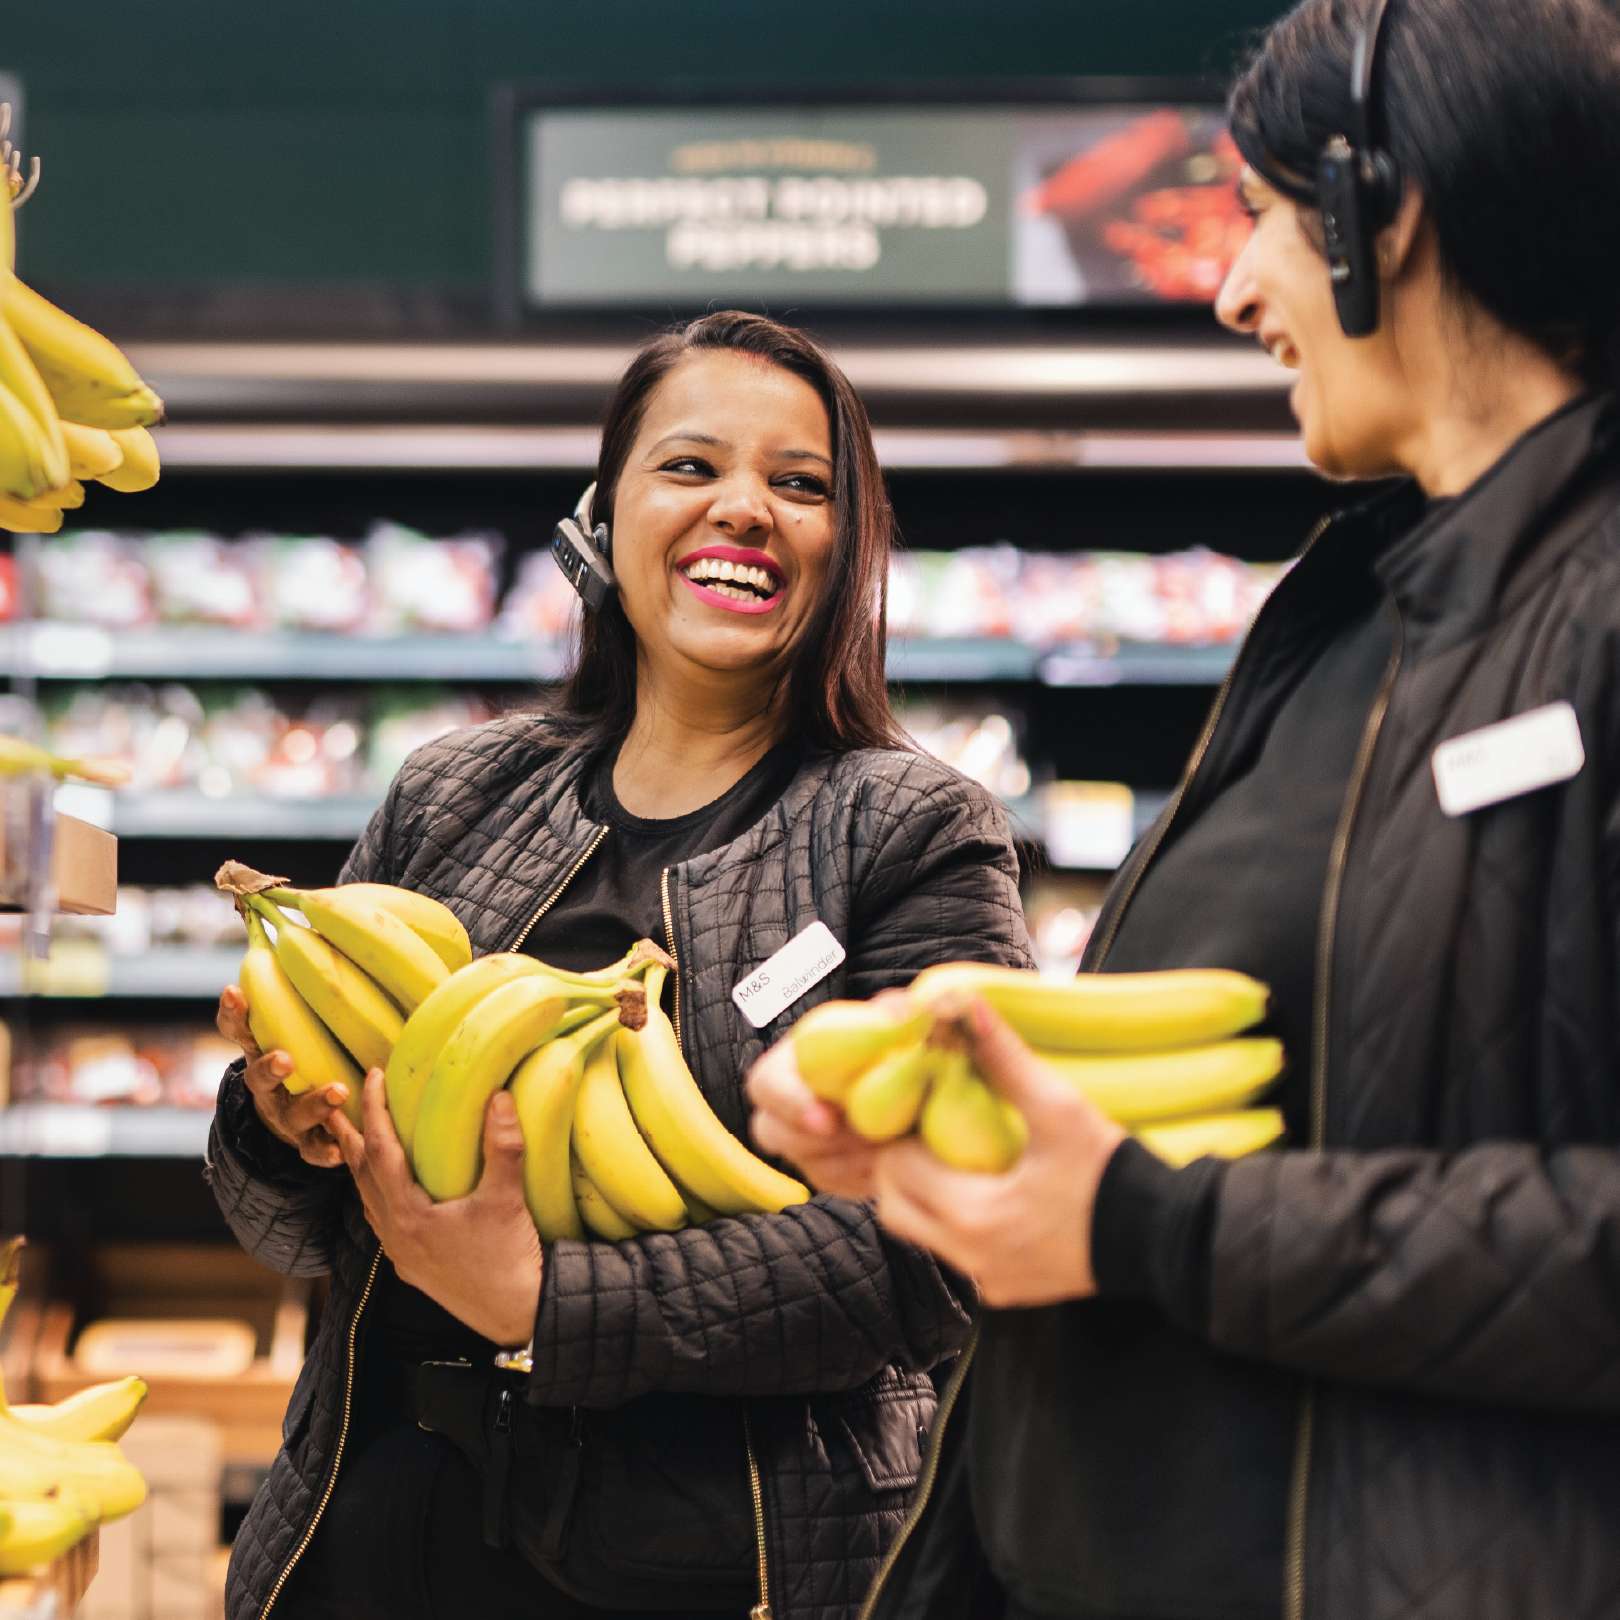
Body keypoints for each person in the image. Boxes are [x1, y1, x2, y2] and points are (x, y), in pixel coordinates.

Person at [749, 3, 1620, 1618]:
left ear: (1389, 214)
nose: (1233, 291)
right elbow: (1310, 1090)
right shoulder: (1356, 613)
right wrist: (966, 1121)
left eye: (1265, 218)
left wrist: (1148, 1224)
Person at [206, 311, 1032, 1620]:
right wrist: (271, 1124)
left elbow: (936, 1252)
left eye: (802, 483)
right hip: (378, 1535)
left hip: (720, 1557)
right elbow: (287, 1234)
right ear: (607, 516)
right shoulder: (451, 797)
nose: (745, 509)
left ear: (851, 548)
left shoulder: (914, 831)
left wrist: (549, 1302)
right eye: (692, 467)